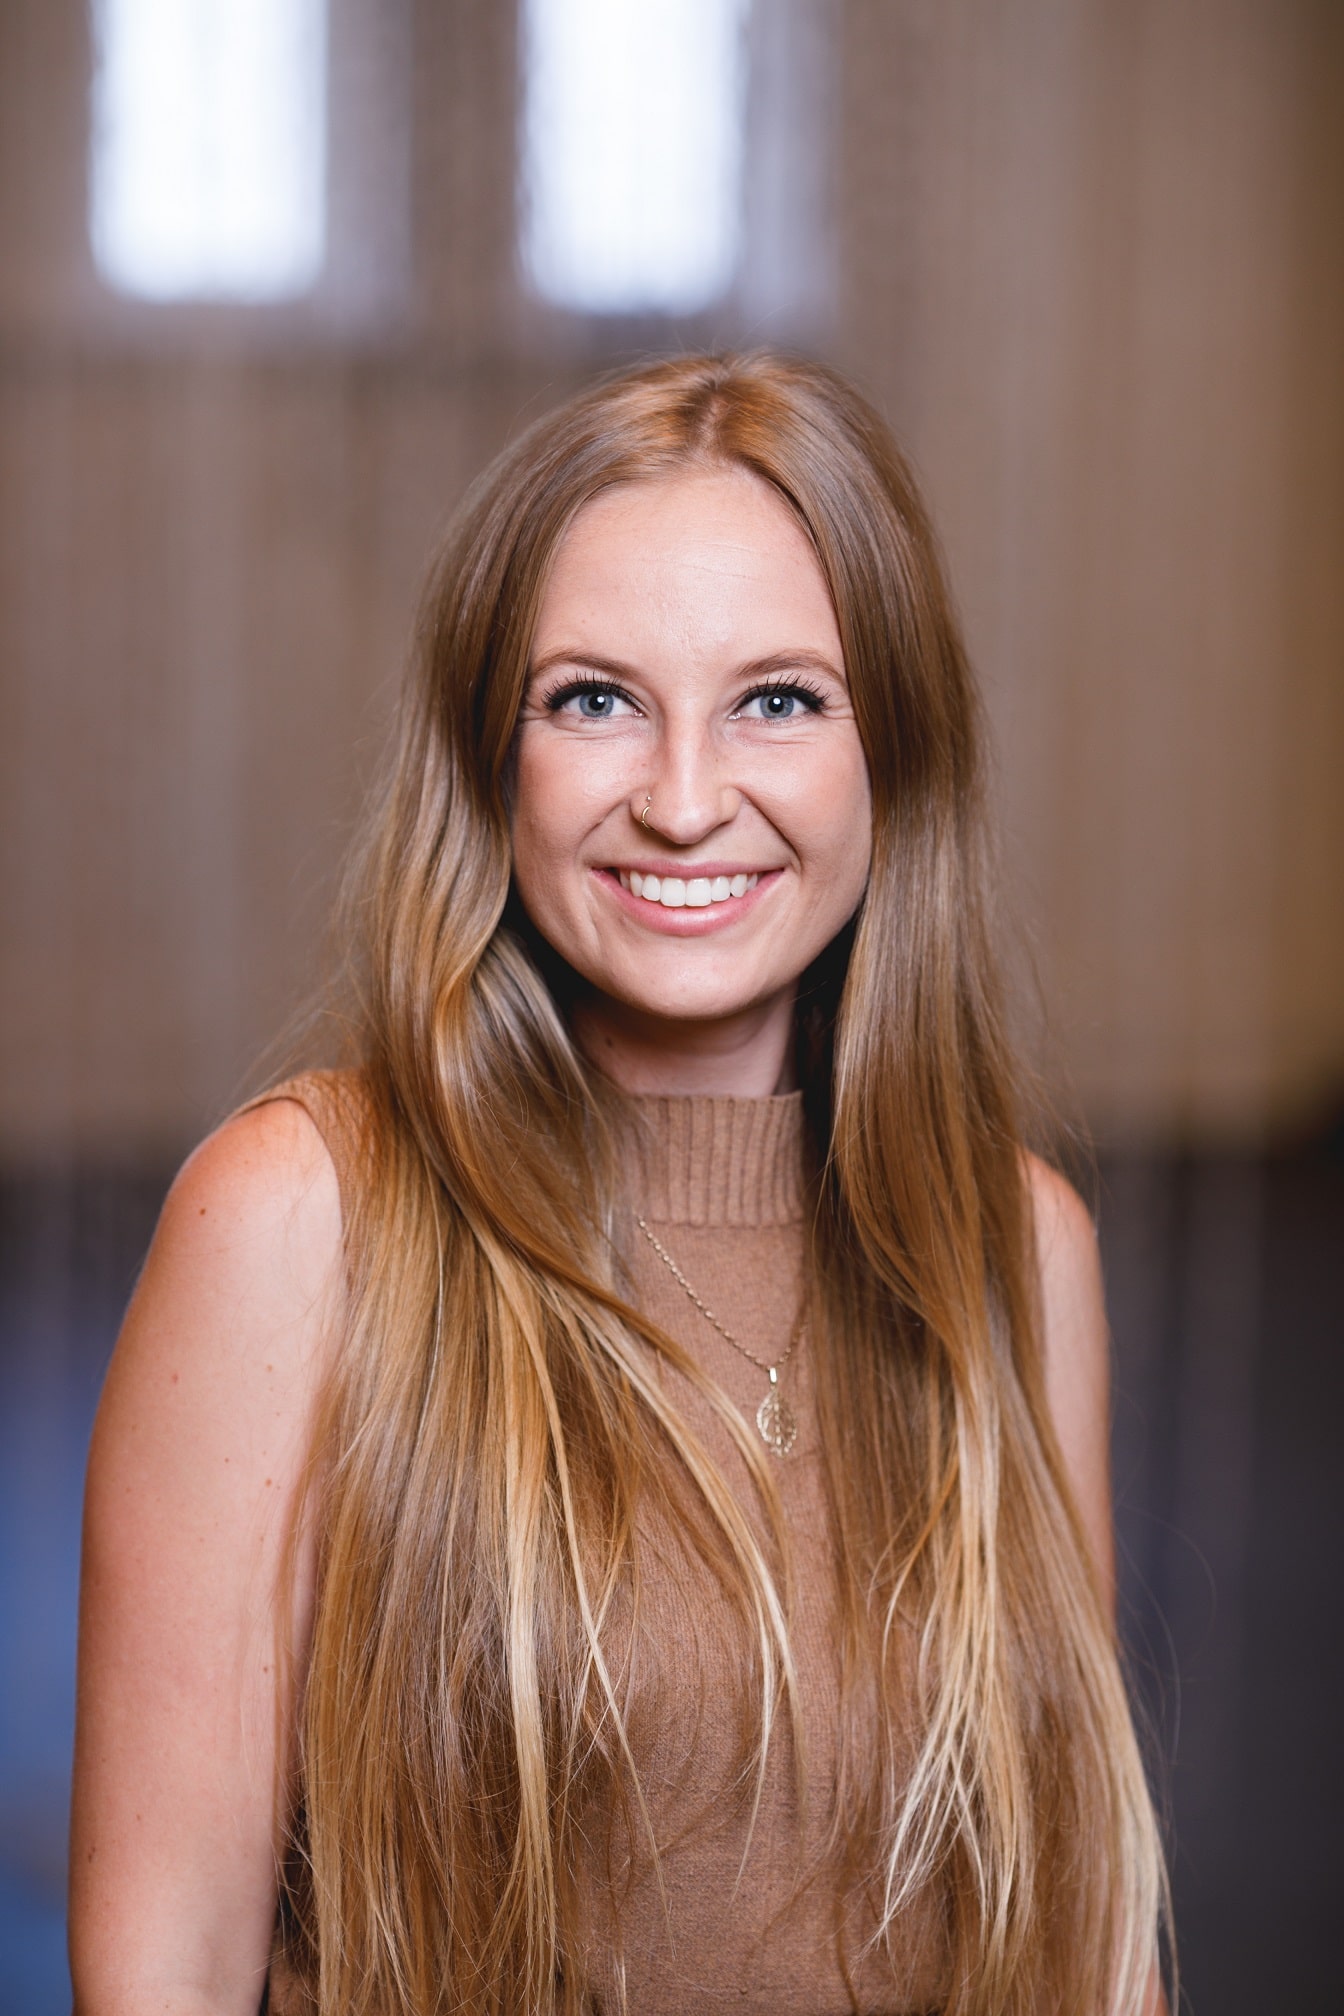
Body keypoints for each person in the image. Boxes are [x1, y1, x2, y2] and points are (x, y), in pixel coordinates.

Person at [69, 352, 1170, 2016]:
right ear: (493, 757)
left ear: (899, 752)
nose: (679, 796)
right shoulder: (298, 1218)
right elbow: (166, 1963)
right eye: (595, 699)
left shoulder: (1017, 1245)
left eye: (779, 700)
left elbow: (1085, 1942)